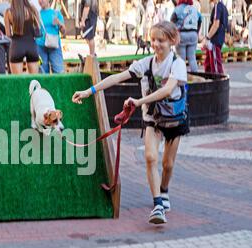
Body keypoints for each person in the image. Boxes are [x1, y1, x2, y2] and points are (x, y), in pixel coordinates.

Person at [72, 21, 188, 225]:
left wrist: (138, 101)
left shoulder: (177, 63)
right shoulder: (146, 63)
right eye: (153, 39)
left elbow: (168, 90)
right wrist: (90, 91)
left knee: (167, 165)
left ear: (172, 41)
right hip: (153, 118)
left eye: (161, 40)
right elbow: (117, 77)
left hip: (174, 119)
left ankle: (164, 190)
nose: (156, 44)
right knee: (151, 157)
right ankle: (158, 204)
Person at [5, 0, 40, 74]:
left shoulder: (8, 12)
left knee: (17, 81)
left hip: (16, 46)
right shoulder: (32, 9)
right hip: (31, 45)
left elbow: (8, 34)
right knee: (34, 79)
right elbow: (38, 26)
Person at [171, 0, 202, 72]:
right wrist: (196, 32)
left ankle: (182, 77)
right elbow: (200, 19)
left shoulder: (177, 9)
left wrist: (174, 34)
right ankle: (195, 76)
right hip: (193, 34)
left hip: (181, 34)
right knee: (192, 58)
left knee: (181, 58)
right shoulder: (194, 9)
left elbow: (172, 22)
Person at [36, 0, 65, 73]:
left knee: (59, 72)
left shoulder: (56, 13)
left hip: (55, 47)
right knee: (42, 73)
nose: (40, 1)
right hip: (40, 47)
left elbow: (64, 32)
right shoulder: (36, 14)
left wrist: (59, 23)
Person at [200, 0, 228, 74]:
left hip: (215, 39)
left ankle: (218, 83)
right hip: (218, 38)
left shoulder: (217, 6)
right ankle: (210, 80)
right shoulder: (223, 6)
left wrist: (207, 37)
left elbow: (216, 24)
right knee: (208, 63)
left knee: (216, 66)